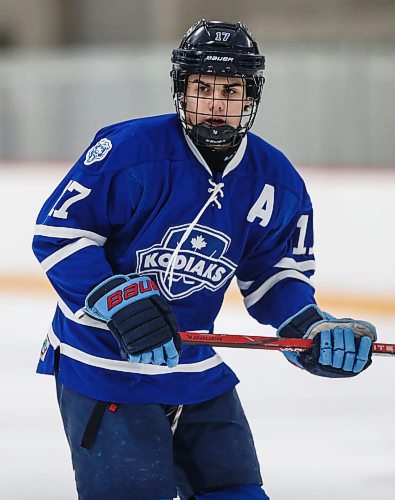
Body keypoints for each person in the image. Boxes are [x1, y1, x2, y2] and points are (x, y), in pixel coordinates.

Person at [32, 19, 376, 500]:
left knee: (238, 493)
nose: (215, 106)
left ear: (250, 96)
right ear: (181, 91)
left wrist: (310, 328)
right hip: (104, 365)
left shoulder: (275, 177)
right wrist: (118, 300)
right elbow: (60, 233)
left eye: (231, 91)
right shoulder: (132, 150)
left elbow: (276, 276)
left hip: (192, 367)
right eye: (202, 88)